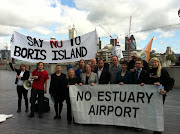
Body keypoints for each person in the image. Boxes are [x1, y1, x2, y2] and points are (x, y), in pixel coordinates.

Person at [148, 57, 174, 134]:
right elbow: (147, 81)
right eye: (152, 62)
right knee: (152, 112)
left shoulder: (163, 71)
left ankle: (158, 129)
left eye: (155, 62)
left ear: (158, 63)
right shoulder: (149, 72)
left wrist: (165, 89)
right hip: (151, 95)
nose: (154, 64)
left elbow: (170, 81)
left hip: (160, 94)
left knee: (158, 112)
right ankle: (154, 127)